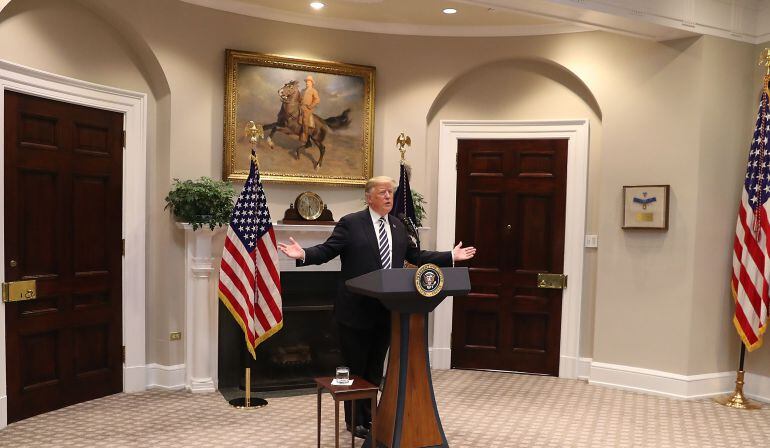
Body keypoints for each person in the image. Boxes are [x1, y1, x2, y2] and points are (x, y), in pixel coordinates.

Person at [278, 176, 476, 439]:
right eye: (383, 192)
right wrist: (303, 254)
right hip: (355, 310)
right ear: (368, 197)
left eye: (391, 192)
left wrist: (450, 256)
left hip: (386, 310)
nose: (388, 197)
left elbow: (415, 256)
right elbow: (328, 250)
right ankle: (354, 421)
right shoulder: (351, 223)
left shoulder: (397, 226)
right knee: (355, 368)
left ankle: (371, 416)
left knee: (374, 369)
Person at [299, 75, 320, 146]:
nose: (307, 83)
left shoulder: (314, 91)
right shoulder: (302, 90)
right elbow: (299, 98)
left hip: (307, 109)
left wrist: (310, 106)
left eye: (308, 81)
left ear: (311, 83)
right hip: (301, 107)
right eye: (306, 81)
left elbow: (317, 100)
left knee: (305, 120)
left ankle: (305, 138)